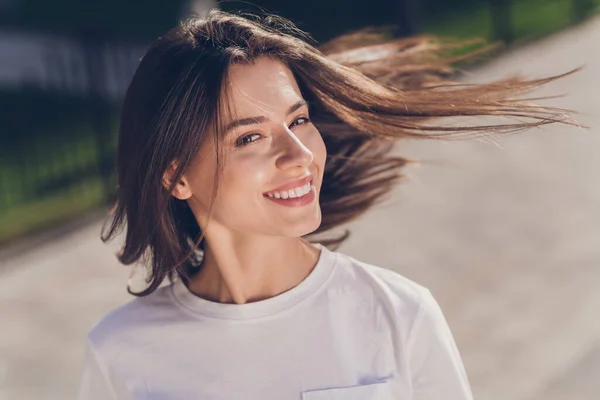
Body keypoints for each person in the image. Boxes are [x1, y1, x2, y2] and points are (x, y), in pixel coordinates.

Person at [77, 9, 575, 400]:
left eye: (298, 121)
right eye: (249, 137)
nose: (299, 156)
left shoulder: (399, 316)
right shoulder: (121, 350)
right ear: (177, 175)